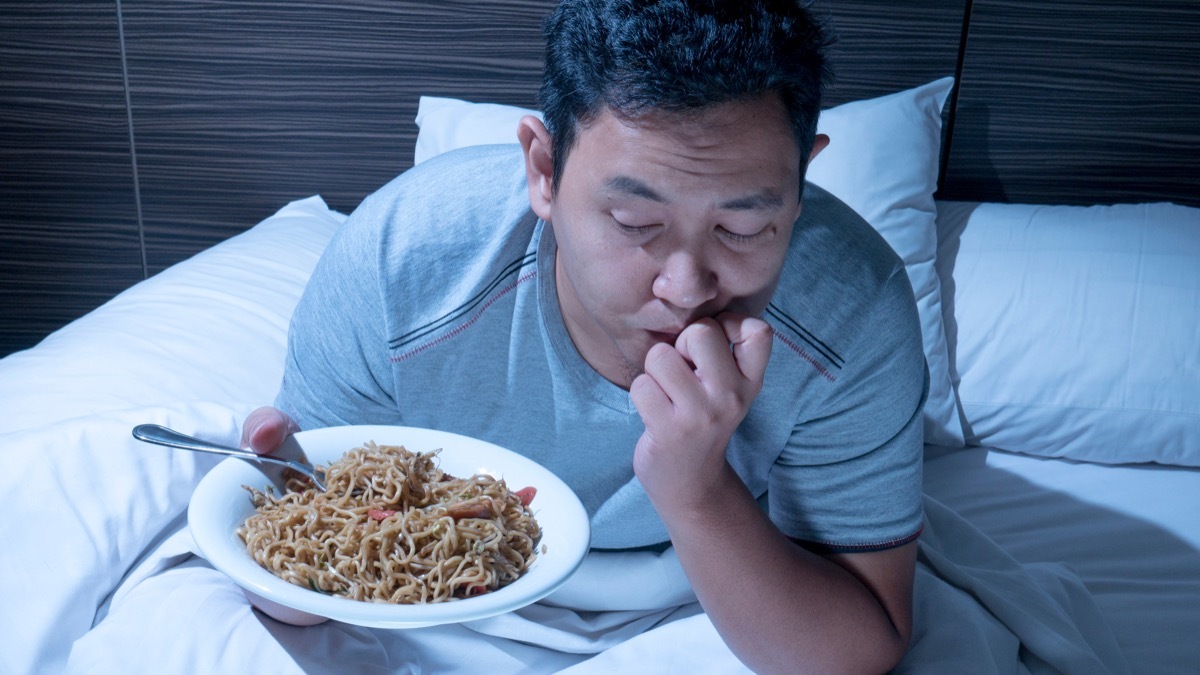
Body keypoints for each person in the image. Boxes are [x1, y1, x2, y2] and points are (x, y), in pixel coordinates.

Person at [243, 0, 927, 672]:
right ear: (543, 171)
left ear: (803, 179)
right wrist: (270, 530)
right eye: (634, 221)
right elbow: (297, 582)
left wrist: (695, 487)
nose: (686, 287)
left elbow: (858, 646)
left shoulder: (854, 313)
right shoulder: (403, 265)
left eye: (743, 228)